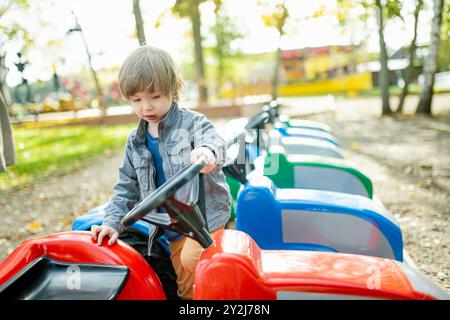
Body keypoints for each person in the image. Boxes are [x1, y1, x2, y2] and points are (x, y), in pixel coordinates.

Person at [90, 46, 231, 299]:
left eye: (154, 97)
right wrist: (111, 223)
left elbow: (214, 142)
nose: (146, 107)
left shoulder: (192, 124)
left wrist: (206, 153)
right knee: (187, 289)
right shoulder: (135, 142)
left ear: (172, 90)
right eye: (137, 100)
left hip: (205, 220)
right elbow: (126, 188)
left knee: (194, 260)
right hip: (173, 228)